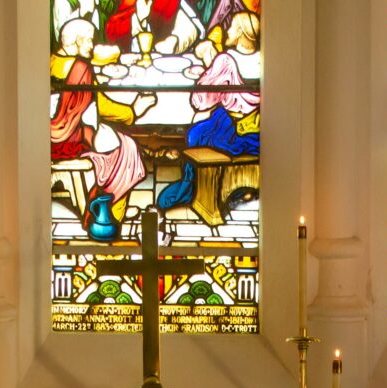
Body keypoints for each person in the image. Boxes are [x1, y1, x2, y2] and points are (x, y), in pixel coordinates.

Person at [51, 17, 153, 235]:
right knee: (127, 148)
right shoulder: (80, 68)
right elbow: (102, 106)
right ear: (77, 42)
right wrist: (133, 111)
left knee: (116, 142)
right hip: (68, 140)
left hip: (50, 136)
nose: (92, 46)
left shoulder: (51, 60)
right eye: (88, 41)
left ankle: (110, 208)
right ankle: (111, 211)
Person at [157, 10, 260, 220]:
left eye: (231, 27)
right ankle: (235, 191)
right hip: (260, 132)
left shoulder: (227, 61)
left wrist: (209, 62)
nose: (227, 30)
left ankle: (194, 190)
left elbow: (200, 99)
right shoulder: (266, 60)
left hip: (234, 132)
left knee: (197, 135)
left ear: (240, 32)